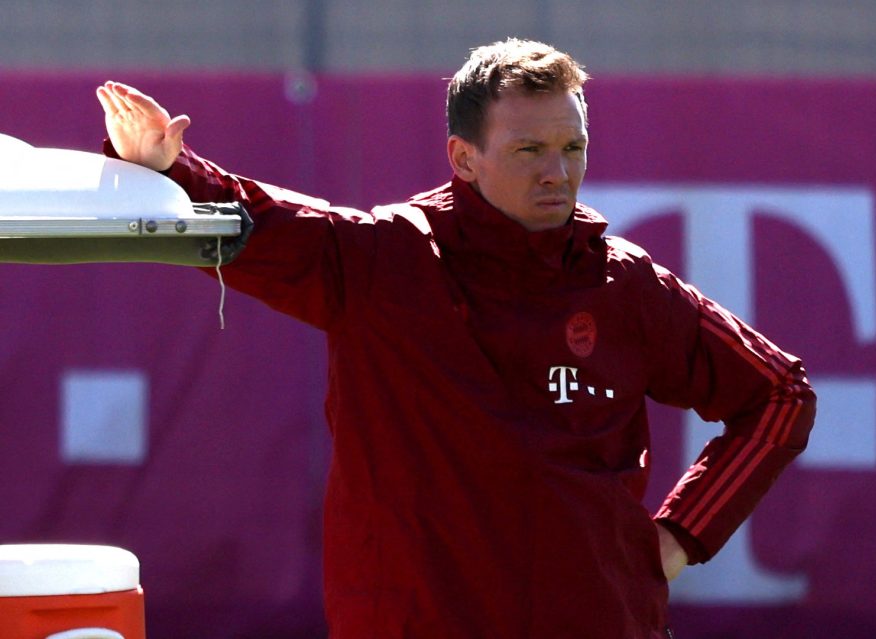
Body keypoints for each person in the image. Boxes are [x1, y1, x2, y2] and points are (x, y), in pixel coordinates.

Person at [97, 38, 814, 639]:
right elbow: (254, 218)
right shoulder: (384, 258)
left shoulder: (625, 283)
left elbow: (780, 393)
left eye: (573, 147)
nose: (558, 172)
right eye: (529, 149)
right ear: (463, 158)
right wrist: (166, 167)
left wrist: (680, 536)